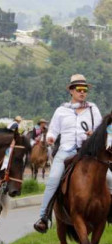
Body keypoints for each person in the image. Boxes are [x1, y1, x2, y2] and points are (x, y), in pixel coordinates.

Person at [33, 74, 112, 233]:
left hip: (88, 152)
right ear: (71, 91)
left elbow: (100, 130)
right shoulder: (61, 110)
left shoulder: (93, 109)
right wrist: (50, 138)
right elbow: (53, 131)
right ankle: (44, 217)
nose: (82, 92)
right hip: (66, 151)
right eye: (79, 89)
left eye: (85, 90)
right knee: (54, 178)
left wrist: (93, 134)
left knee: (109, 177)